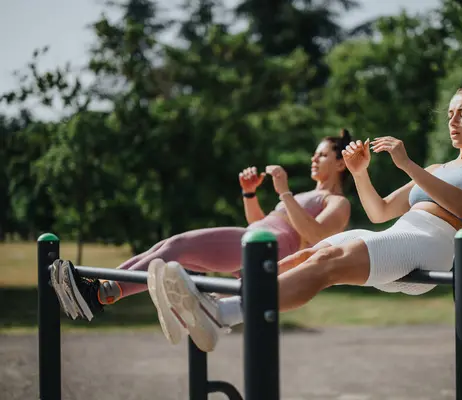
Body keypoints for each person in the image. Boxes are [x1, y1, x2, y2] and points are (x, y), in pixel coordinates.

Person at [146, 85, 462, 352]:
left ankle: (222, 313)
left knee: (327, 262)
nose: (453, 121)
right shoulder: (438, 168)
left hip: (432, 244)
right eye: (450, 114)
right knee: (310, 255)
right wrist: (359, 172)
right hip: (400, 234)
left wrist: (407, 165)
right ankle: (207, 302)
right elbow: (380, 212)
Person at [50, 129, 354, 344]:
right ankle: (100, 290)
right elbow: (260, 223)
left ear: (340, 163)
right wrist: (249, 193)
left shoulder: (337, 203)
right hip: (254, 239)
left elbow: (314, 235)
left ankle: (101, 293)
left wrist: (284, 191)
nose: (314, 159)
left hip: (271, 253)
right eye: (315, 154)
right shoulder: (302, 195)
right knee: (169, 246)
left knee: (178, 247)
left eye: (323, 154)